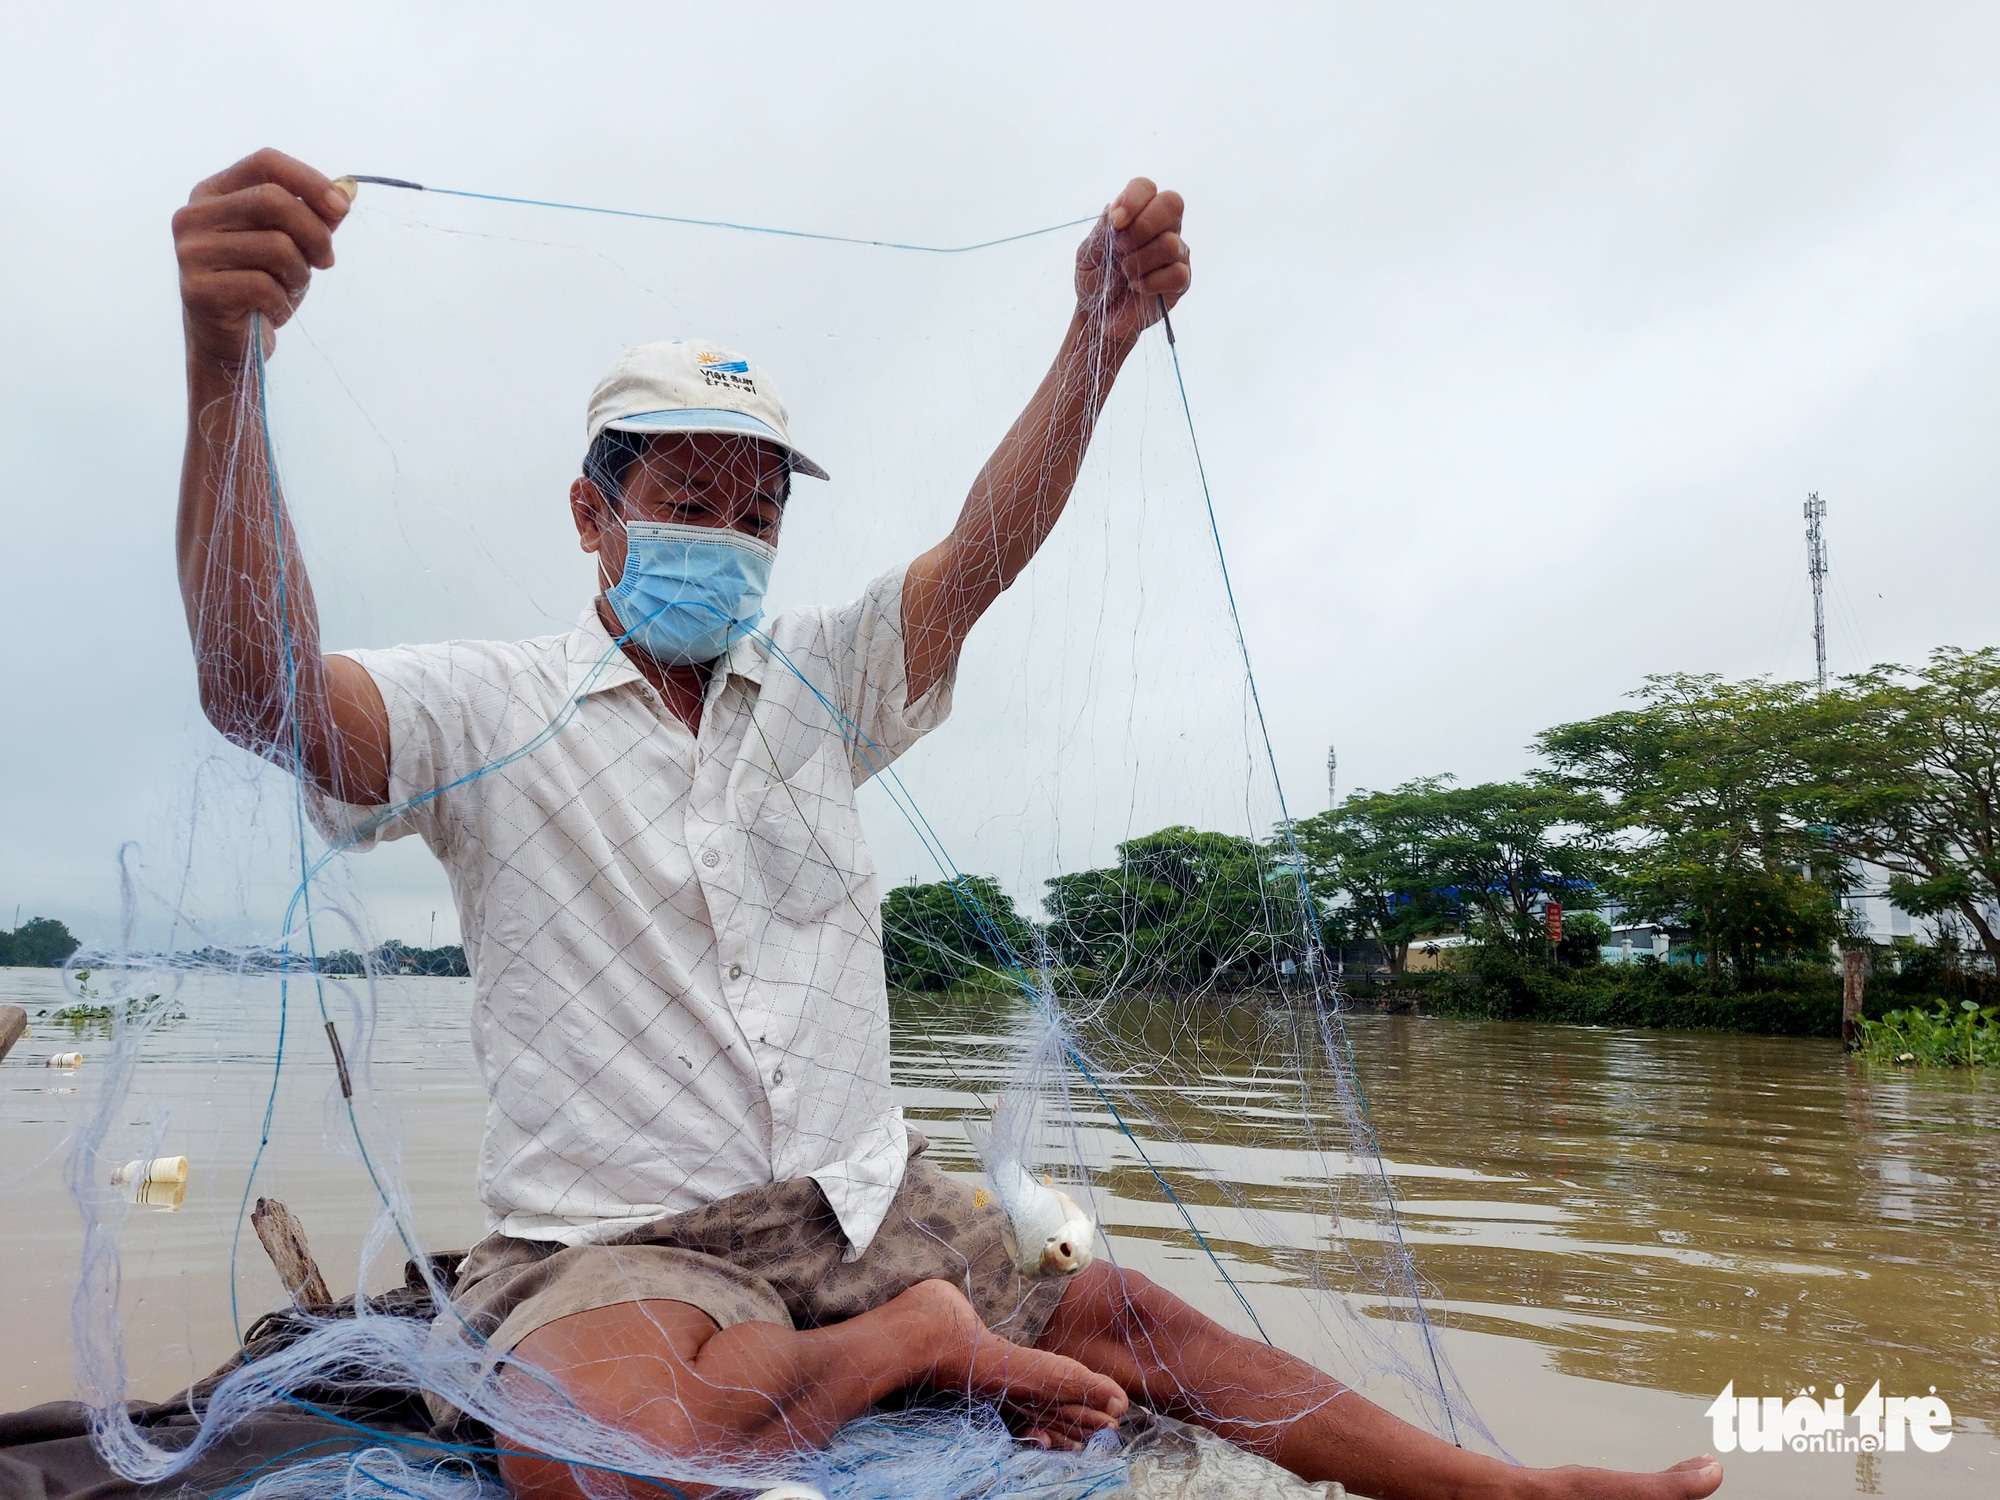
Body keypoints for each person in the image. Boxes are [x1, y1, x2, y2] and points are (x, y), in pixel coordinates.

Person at [173, 149, 1725, 1500]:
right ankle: (916, 1348)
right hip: (623, 1244)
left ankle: (1501, 1488)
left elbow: (982, 547)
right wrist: (223, 366)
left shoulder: (826, 683)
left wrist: (1097, 342)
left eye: (759, 510)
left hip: (870, 1200)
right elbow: (265, 691)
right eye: (690, 498)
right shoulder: (485, 708)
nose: (729, 535)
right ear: (593, 512)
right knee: (590, 1456)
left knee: (1140, 1324)